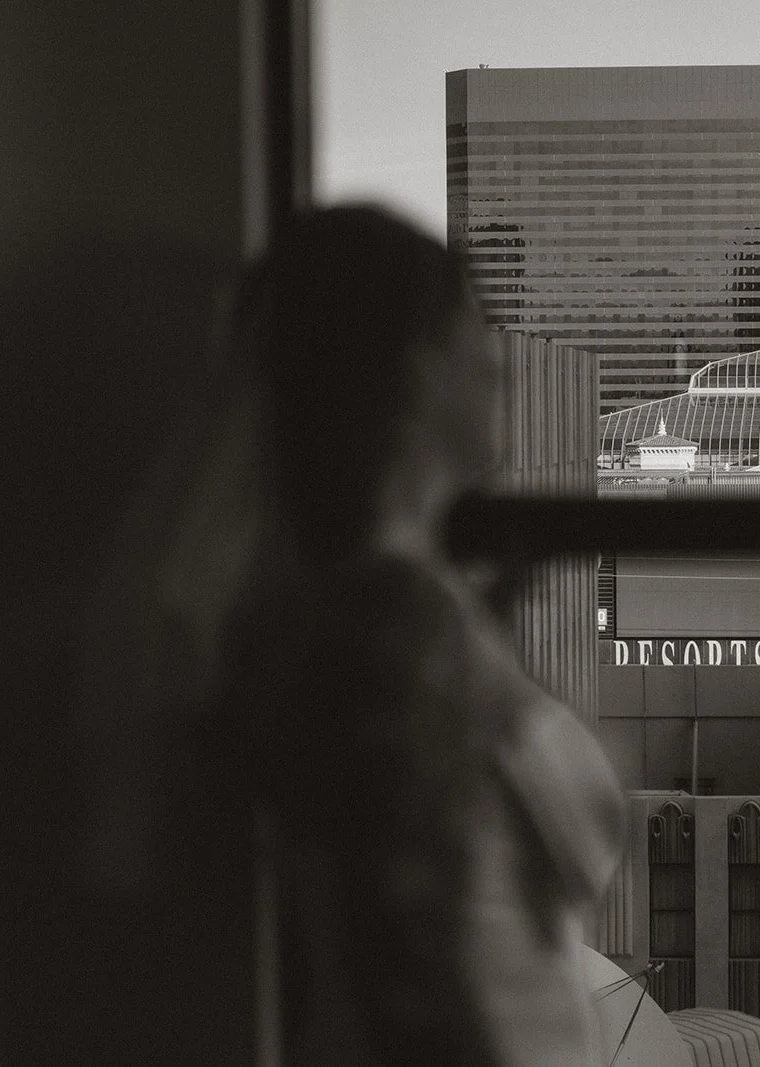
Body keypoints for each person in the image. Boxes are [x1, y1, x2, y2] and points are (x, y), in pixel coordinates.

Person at [72, 204, 624, 1064]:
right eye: (471, 326)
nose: (497, 359)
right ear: (415, 363)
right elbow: (414, 965)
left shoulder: (384, 613)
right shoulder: (399, 633)